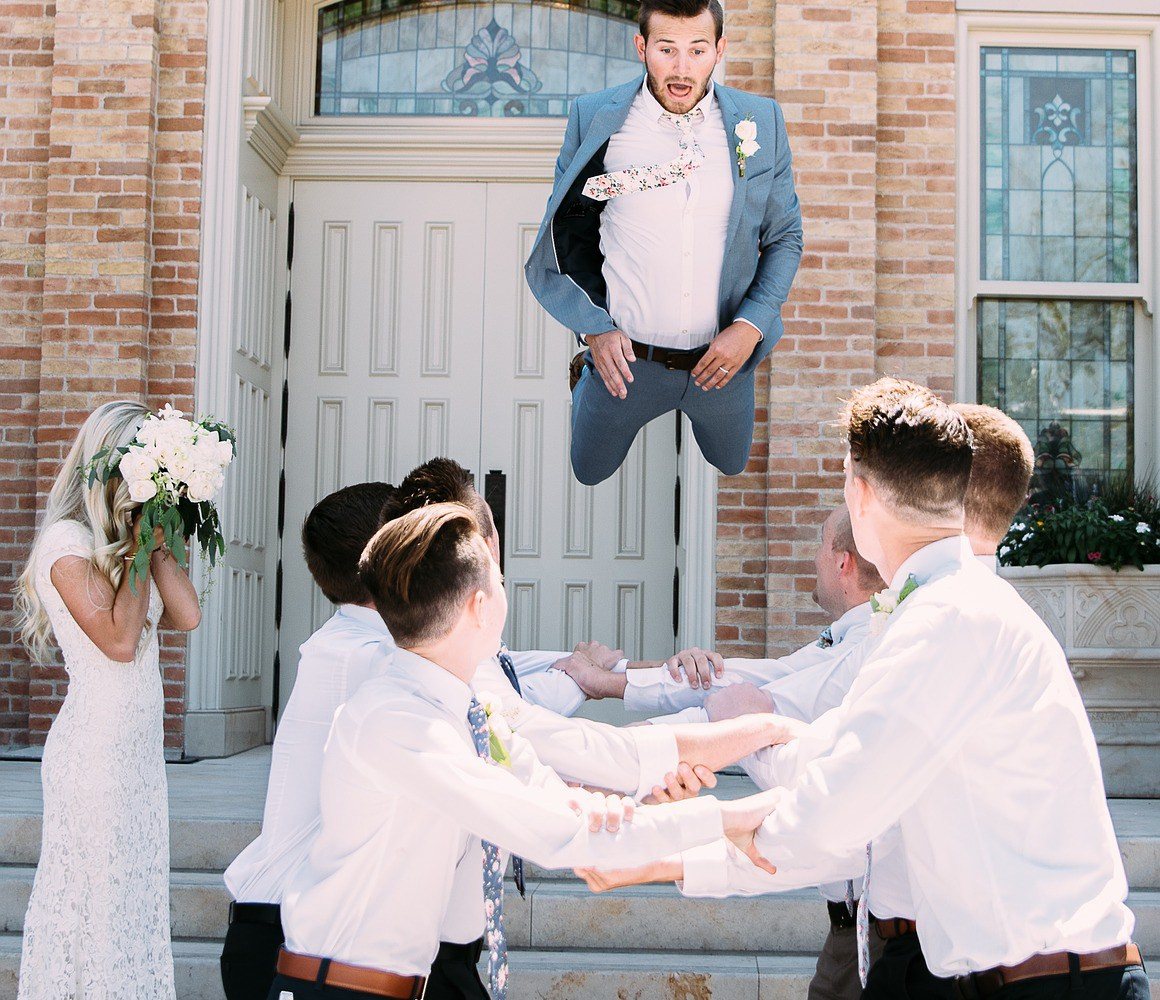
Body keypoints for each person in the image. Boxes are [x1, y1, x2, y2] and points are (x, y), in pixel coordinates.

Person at [581, 379, 1147, 1000]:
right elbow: (842, 768)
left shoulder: (948, 620)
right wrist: (763, 737)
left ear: (860, 492)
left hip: (1052, 985)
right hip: (1008, 978)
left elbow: (832, 818)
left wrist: (659, 844)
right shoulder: (935, 611)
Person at [271, 502, 784, 1000]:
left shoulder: (468, 709)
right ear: (479, 605)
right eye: (497, 579)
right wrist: (730, 819)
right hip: (336, 987)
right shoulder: (397, 722)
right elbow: (555, 831)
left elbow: (560, 802)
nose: (503, 589)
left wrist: (624, 806)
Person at [382, 457, 790, 802]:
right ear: (487, 558)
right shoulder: (472, 698)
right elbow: (577, 757)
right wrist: (721, 724)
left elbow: (554, 781)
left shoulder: (440, 663)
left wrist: (641, 673)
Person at [524, 0, 802, 485]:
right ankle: (585, 375)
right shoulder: (595, 118)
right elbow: (569, 231)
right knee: (588, 469)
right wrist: (594, 328)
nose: (681, 67)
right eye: (667, 49)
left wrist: (751, 325)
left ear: (719, 50)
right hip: (629, 363)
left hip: (721, 360)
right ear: (642, 47)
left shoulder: (761, 122)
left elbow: (784, 238)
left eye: (697, 50)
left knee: (731, 462)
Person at [14, 400, 202, 1000]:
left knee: (130, 902)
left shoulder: (126, 540)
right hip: (93, 756)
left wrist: (157, 533)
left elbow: (189, 616)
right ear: (110, 465)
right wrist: (142, 541)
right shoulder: (65, 542)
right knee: (92, 908)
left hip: (136, 759)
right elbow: (121, 642)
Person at [220, 483, 397, 1000]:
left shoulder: (364, 643)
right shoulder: (357, 657)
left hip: (305, 936)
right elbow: (473, 695)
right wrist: (592, 679)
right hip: (282, 939)